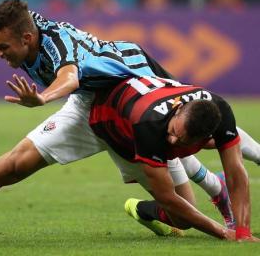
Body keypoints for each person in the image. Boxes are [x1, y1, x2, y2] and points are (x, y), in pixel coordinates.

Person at [0, 0, 259, 234]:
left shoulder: (56, 47)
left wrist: (43, 99)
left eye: (2, 48)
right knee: (11, 167)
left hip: (137, 88)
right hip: (92, 106)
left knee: (197, 131)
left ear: (26, 39)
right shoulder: (12, 34)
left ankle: (223, 175)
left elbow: (68, 76)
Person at [88, 75, 258, 241]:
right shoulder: (148, 126)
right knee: (181, 215)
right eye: (175, 132)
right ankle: (215, 183)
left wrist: (243, 233)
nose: (172, 139)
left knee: (183, 218)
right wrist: (223, 232)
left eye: (183, 140)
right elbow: (167, 198)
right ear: (178, 110)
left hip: (150, 111)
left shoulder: (219, 111)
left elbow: (235, 174)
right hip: (110, 127)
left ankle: (211, 185)